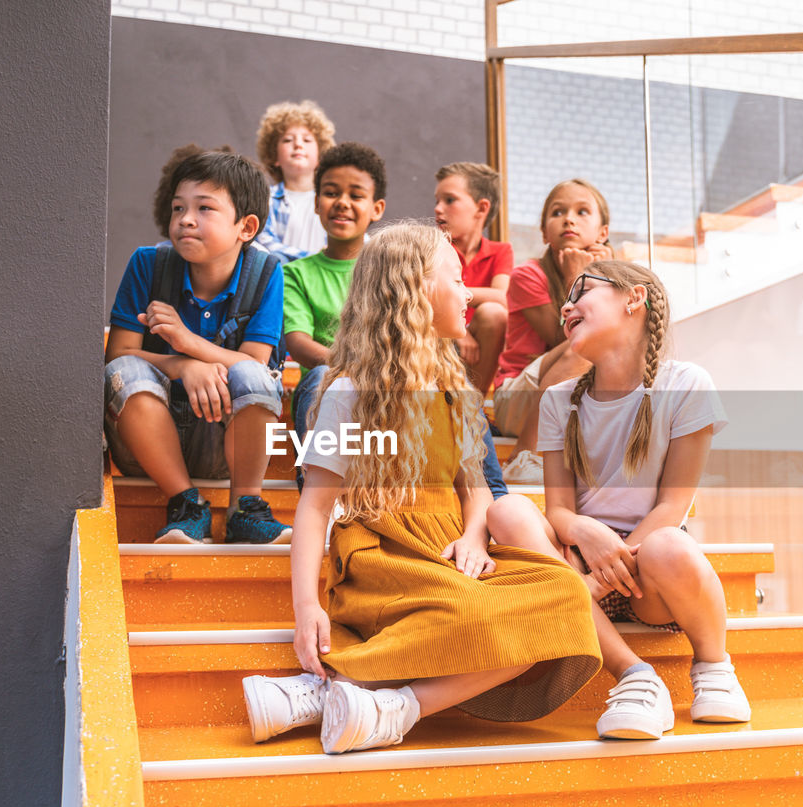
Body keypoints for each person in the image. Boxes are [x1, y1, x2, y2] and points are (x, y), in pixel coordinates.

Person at [241, 223, 602, 754]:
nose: (470, 293)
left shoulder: (455, 389)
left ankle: (383, 704)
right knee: (468, 613)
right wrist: (307, 610)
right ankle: (348, 690)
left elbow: (477, 487)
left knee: (564, 596)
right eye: (456, 279)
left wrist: (476, 538)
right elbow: (315, 510)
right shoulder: (350, 392)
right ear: (411, 291)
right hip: (383, 556)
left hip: (448, 549)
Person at [487, 260, 751, 740]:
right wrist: (586, 536)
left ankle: (714, 667)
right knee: (506, 510)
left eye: (581, 291)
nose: (566, 306)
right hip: (579, 567)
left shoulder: (686, 384)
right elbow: (560, 509)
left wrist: (607, 573)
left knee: (669, 544)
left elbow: (673, 507)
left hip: (648, 578)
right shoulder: (558, 399)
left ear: (634, 299)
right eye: (564, 298)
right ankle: (635, 677)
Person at [104, 150, 291, 545]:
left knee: (252, 375)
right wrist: (182, 365)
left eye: (205, 208)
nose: (185, 219)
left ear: (247, 226)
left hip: (226, 447)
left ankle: (246, 509)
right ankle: (186, 504)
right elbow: (118, 353)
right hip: (147, 445)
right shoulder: (148, 265)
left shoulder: (267, 273)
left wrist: (189, 343)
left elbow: (256, 362)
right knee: (126, 372)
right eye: (178, 208)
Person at [492, 179, 613, 484]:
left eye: (582, 211)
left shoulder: (613, 275)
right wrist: (578, 277)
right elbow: (565, 337)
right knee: (585, 341)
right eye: (558, 212)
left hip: (575, 401)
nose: (569, 219)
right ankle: (524, 456)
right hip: (518, 402)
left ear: (603, 233)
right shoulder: (527, 275)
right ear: (545, 232)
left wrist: (609, 280)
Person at [283, 142, 386, 454]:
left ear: (376, 208)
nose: (342, 203)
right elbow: (298, 344)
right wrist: (354, 369)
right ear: (316, 203)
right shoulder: (295, 274)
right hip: (324, 386)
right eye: (331, 193)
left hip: (383, 383)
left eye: (356, 195)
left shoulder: (391, 269)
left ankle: (492, 488)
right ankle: (316, 492)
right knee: (321, 376)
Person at [433, 161, 512, 397]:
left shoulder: (501, 251)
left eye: (449, 200)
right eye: (436, 200)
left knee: (494, 313)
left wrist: (450, 292)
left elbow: (502, 298)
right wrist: (461, 333)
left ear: (481, 208)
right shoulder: (435, 247)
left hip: (476, 353)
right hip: (438, 341)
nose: (438, 208)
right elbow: (424, 299)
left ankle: (472, 407)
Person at [255, 100, 336, 262]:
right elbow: (266, 243)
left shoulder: (333, 200)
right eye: (287, 140)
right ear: (274, 157)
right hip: (286, 276)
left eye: (307, 140)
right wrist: (314, 259)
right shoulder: (265, 199)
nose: (298, 144)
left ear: (320, 156)